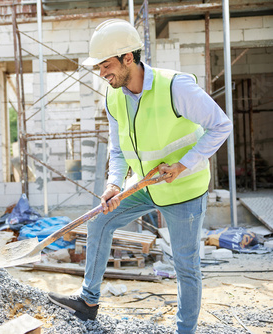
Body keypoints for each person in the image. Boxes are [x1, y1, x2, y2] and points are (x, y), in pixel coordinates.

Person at [48, 19, 233, 334]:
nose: (102, 73)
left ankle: (184, 331)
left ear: (128, 58)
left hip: (184, 189)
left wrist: (183, 165)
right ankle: (88, 302)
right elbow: (118, 150)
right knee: (100, 220)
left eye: (106, 65)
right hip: (146, 184)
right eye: (99, 67)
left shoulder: (176, 87)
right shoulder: (113, 97)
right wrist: (114, 185)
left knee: (186, 267)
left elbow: (221, 125)